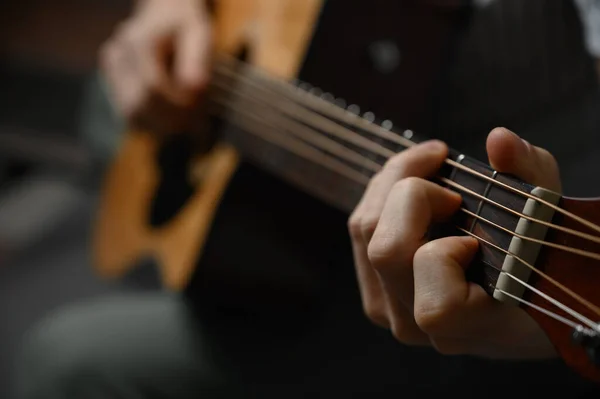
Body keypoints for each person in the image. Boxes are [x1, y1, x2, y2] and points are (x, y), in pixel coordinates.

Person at [13, 0, 600, 398]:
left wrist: (532, 336)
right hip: (273, 149)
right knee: (106, 115)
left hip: (506, 273)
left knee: (68, 362)